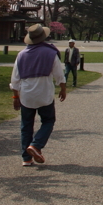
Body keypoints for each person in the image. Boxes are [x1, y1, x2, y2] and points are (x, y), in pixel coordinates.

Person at [11, 23, 66, 166]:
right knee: (48, 121)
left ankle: (26, 158)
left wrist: (16, 96)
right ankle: (36, 145)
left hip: (26, 94)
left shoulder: (21, 55)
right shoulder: (50, 53)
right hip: (44, 93)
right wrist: (63, 88)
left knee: (26, 125)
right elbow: (59, 74)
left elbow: (15, 79)